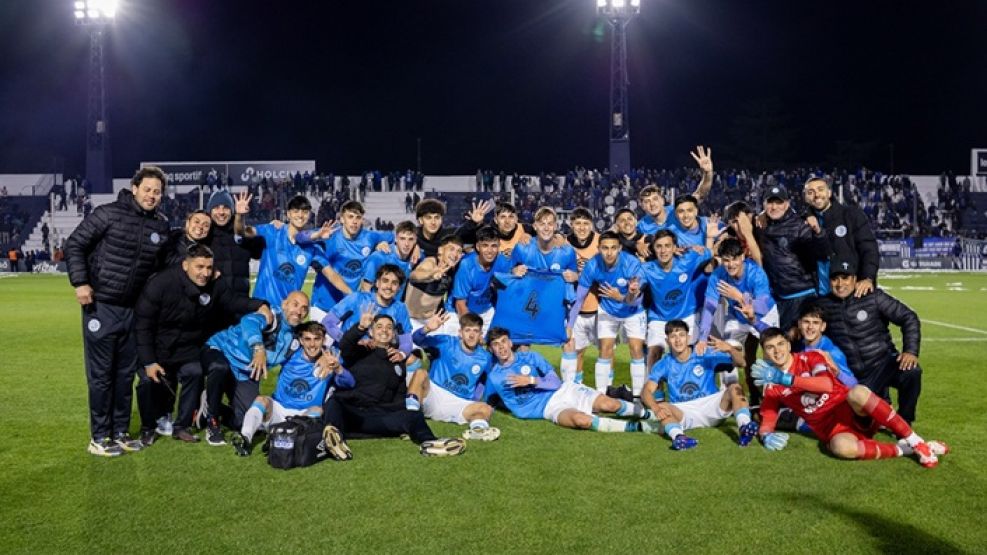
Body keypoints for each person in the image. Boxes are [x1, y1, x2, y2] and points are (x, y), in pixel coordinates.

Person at [64, 166, 171, 457]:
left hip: (133, 311)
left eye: (157, 192)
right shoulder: (107, 213)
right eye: (147, 189)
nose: (152, 196)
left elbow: (163, 267)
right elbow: (74, 244)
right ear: (134, 188)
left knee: (125, 376)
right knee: (101, 376)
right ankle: (100, 437)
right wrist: (81, 282)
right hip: (101, 306)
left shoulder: (160, 226)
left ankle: (121, 432)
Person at [753, 328, 947, 468]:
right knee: (841, 448)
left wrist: (786, 379)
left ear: (788, 344)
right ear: (764, 352)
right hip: (832, 429)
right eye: (770, 347)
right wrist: (766, 435)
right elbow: (768, 416)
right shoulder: (771, 385)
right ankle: (905, 450)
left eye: (780, 344)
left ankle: (915, 441)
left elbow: (826, 385)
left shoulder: (810, 357)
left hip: (851, 409)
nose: (777, 351)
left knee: (859, 392)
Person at [135, 244, 268, 445]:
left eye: (208, 267)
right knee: (147, 381)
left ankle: (182, 426)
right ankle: (147, 427)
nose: (205, 273)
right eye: (199, 267)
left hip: (188, 349)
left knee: (195, 373)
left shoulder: (215, 283)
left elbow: (233, 301)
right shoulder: (160, 283)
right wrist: (149, 361)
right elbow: (143, 325)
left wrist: (259, 305)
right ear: (185, 265)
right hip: (157, 348)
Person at [322, 308, 466, 458]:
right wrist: (361, 327)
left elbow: (398, 395)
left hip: (380, 417)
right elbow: (346, 345)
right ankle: (334, 439)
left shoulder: (397, 360)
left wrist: (403, 413)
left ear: (393, 334)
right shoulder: (359, 350)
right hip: (355, 412)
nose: (384, 330)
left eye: (389, 327)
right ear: (371, 332)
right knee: (335, 402)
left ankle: (430, 443)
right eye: (379, 326)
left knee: (413, 415)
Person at [814, 258, 923, 423]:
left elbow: (909, 318)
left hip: (884, 364)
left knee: (911, 372)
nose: (840, 283)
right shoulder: (823, 305)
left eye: (845, 278)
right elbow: (806, 324)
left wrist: (910, 351)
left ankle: (904, 421)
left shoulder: (873, 297)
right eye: (835, 279)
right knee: (862, 425)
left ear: (854, 279)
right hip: (853, 377)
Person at [200, 291, 311, 446]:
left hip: (246, 372)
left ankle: (211, 404)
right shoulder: (271, 317)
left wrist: (325, 359)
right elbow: (248, 321)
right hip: (222, 350)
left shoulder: (296, 337)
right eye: (295, 304)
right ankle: (212, 422)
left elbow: (311, 350)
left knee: (249, 422)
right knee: (220, 368)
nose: (299, 311)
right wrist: (258, 348)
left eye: (304, 308)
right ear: (284, 304)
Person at [484, 327, 649, 431]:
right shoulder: (495, 377)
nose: (501, 347)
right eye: (496, 344)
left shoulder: (531, 357)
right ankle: (639, 427)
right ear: (491, 350)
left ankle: (650, 415)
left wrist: (531, 380)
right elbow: (484, 399)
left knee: (610, 404)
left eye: (503, 342)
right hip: (547, 410)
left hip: (564, 391)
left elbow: (555, 383)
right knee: (582, 421)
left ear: (511, 342)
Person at [231, 321, 353, 456]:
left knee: (317, 409)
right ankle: (245, 439)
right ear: (301, 340)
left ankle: (278, 438)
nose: (312, 344)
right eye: (307, 339)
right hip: (280, 409)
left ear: (323, 340)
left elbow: (350, 383)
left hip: (306, 414)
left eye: (317, 339)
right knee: (261, 400)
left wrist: (337, 368)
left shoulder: (332, 357)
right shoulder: (289, 355)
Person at [639, 320, 757, 450]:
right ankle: (679, 437)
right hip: (684, 412)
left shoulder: (703, 353)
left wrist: (730, 349)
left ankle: (745, 427)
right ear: (667, 341)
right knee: (662, 406)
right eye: (673, 336)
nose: (678, 340)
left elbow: (742, 363)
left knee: (735, 388)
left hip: (712, 406)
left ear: (688, 338)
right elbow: (646, 391)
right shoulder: (663, 364)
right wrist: (656, 408)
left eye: (681, 335)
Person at [567, 231, 645, 395]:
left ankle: (638, 397)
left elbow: (635, 300)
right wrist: (570, 325)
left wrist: (622, 297)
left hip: (633, 311)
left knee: (636, 350)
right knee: (605, 350)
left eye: (613, 248)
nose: (609, 252)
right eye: (605, 248)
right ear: (598, 248)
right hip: (608, 310)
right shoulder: (592, 265)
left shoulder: (631, 263)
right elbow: (579, 298)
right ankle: (601, 394)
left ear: (620, 248)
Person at [296, 200, 393, 322]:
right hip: (324, 306)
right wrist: (317, 235)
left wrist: (382, 242)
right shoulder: (329, 235)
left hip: (348, 308)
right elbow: (299, 237)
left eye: (358, 217)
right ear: (342, 219)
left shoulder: (369, 237)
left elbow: (395, 236)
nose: (354, 221)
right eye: (350, 217)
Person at [410, 311, 500, 441]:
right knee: (420, 373)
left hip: (458, 403)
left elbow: (486, 381)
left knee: (485, 408)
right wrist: (427, 328)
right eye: (467, 330)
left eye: (475, 331)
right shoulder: (446, 342)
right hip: (434, 394)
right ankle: (410, 418)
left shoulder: (485, 358)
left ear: (481, 335)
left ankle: (477, 431)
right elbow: (417, 340)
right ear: (460, 332)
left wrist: (475, 398)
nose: (471, 335)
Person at [756, 184, 828, 331]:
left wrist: (818, 233)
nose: (774, 207)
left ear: (787, 204)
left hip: (802, 296)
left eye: (779, 202)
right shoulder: (761, 225)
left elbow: (821, 253)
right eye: (770, 202)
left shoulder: (800, 226)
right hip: (779, 298)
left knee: (803, 344)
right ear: (764, 205)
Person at [640, 230, 712, 371]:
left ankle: (695, 390)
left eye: (667, 246)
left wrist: (691, 247)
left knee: (694, 355)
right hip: (659, 318)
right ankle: (657, 393)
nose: (663, 250)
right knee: (654, 354)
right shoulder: (646, 268)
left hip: (687, 315)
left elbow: (709, 252)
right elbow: (636, 282)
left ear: (674, 248)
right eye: (659, 246)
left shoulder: (688, 260)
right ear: (653, 249)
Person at [240, 195, 328, 307]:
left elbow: (329, 272)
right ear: (288, 214)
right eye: (296, 211)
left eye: (305, 212)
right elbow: (243, 232)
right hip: (261, 308)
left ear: (310, 215)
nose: (300, 215)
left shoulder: (312, 245)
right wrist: (240, 216)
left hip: (288, 314)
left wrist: (351, 294)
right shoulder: (272, 231)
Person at [802, 177, 879, 297]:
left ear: (829, 193)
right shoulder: (802, 222)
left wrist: (867, 278)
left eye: (820, 189)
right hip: (818, 296)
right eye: (810, 192)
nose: (816, 195)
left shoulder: (851, 215)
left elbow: (869, 250)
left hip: (851, 292)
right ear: (806, 197)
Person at [323, 264, 414, 357]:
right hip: (345, 356)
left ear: (399, 288)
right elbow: (328, 322)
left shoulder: (400, 308)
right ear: (377, 283)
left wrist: (401, 353)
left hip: (373, 361)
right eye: (385, 281)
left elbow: (406, 340)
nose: (389, 286)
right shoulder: (357, 298)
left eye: (394, 283)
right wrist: (350, 340)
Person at [446, 225, 512, 334]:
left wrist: (516, 271)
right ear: (477, 246)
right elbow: (460, 303)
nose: (490, 251)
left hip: (486, 310)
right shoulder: (466, 266)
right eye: (485, 245)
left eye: (494, 246)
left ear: (499, 246)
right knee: (461, 347)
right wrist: (472, 330)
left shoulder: (502, 261)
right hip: (457, 311)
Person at [566, 207, 600, 383]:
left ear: (592, 225)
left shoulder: (600, 242)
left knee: (606, 352)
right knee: (576, 351)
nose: (581, 227)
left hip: (600, 308)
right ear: (571, 224)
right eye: (577, 223)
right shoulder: (563, 244)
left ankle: (605, 388)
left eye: (586, 223)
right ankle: (575, 386)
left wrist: (579, 276)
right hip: (573, 310)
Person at [210, 190, 264, 296]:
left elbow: (258, 252)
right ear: (210, 211)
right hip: (214, 305)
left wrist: (240, 217)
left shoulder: (243, 233)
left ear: (232, 211)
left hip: (240, 303)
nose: (221, 212)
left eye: (226, 208)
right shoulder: (205, 236)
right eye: (216, 208)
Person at [359, 220, 420, 299]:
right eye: (402, 238)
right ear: (395, 239)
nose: (406, 244)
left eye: (410, 239)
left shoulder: (416, 256)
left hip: (395, 308)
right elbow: (365, 288)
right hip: (375, 307)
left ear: (415, 241)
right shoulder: (379, 257)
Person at [414, 198, 490, 258]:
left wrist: (475, 222)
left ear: (441, 219)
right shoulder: (412, 236)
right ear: (420, 220)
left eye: (437, 217)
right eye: (428, 218)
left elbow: (464, 232)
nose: (433, 222)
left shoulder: (448, 234)